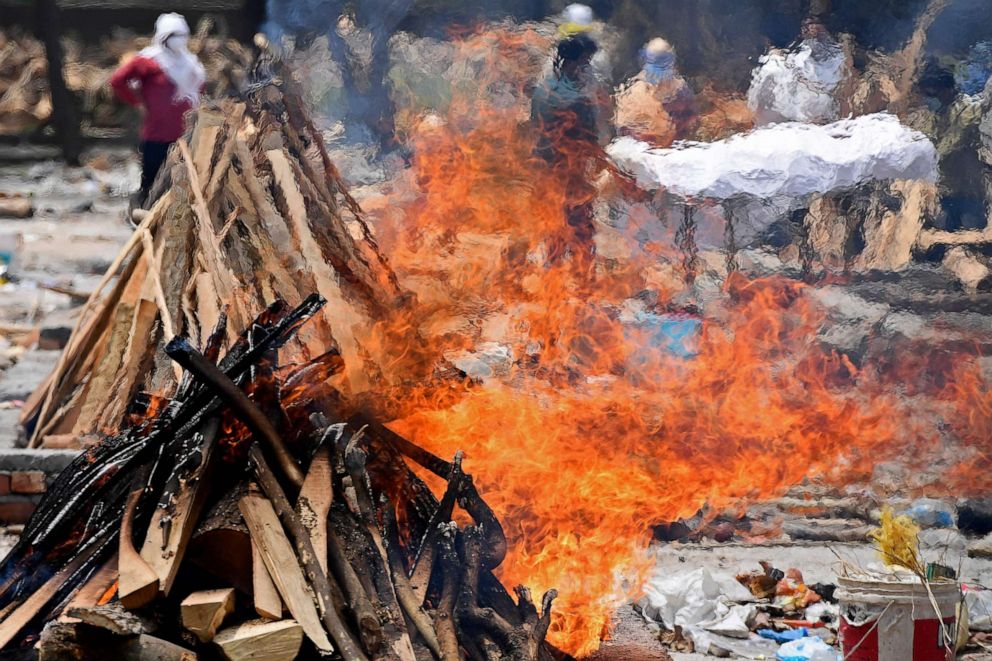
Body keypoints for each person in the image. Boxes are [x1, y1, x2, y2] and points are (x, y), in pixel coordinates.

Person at [531, 26, 610, 270]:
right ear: (572, 61)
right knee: (573, 219)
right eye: (584, 61)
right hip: (561, 166)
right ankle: (573, 270)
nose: (586, 66)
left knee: (564, 217)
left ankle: (561, 267)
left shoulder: (548, 87)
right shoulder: (563, 94)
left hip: (559, 166)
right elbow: (579, 133)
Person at [110, 13, 205, 206]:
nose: (178, 40)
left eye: (182, 35)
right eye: (173, 35)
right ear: (163, 36)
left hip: (186, 135)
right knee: (152, 181)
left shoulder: (191, 64)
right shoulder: (148, 61)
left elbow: (199, 90)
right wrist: (137, 102)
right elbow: (117, 81)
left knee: (182, 182)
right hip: (157, 135)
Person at [614, 38, 697, 146]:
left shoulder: (681, 89)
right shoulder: (636, 93)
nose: (660, 79)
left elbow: (691, 121)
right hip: (646, 149)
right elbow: (624, 128)